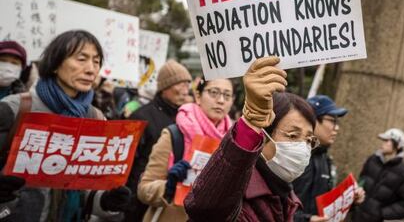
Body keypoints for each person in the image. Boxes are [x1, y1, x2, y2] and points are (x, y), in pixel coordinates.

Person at [0, 30, 131, 221]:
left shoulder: (95, 118)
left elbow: (86, 188)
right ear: (55, 64)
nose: (91, 69)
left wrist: (105, 201)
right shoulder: (15, 109)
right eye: (81, 59)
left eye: (96, 61)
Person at [185, 56, 320, 221]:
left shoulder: (287, 199)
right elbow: (205, 207)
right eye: (292, 135)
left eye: (308, 140)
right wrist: (251, 122)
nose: (302, 148)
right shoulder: (235, 194)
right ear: (263, 135)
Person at [137, 77, 234, 222]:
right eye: (214, 92)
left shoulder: (233, 141)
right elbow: (143, 191)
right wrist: (169, 187)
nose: (220, 100)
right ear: (198, 96)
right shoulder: (175, 135)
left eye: (227, 95)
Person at [125, 60, 192, 221]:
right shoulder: (141, 117)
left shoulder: (186, 119)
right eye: (180, 84)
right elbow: (128, 163)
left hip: (168, 201)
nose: (185, 90)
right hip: (138, 198)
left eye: (187, 84)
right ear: (165, 87)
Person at [293, 95, 365, 221]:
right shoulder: (291, 155)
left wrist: (350, 200)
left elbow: (324, 204)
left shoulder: (325, 158)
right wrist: (306, 220)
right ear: (313, 120)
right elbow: (275, 205)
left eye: (337, 122)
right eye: (332, 120)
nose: (336, 128)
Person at [353, 128, 404, 221]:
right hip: (355, 216)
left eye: (386, 140)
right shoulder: (372, 159)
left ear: (398, 145)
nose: (382, 143)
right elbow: (361, 180)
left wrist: (381, 213)